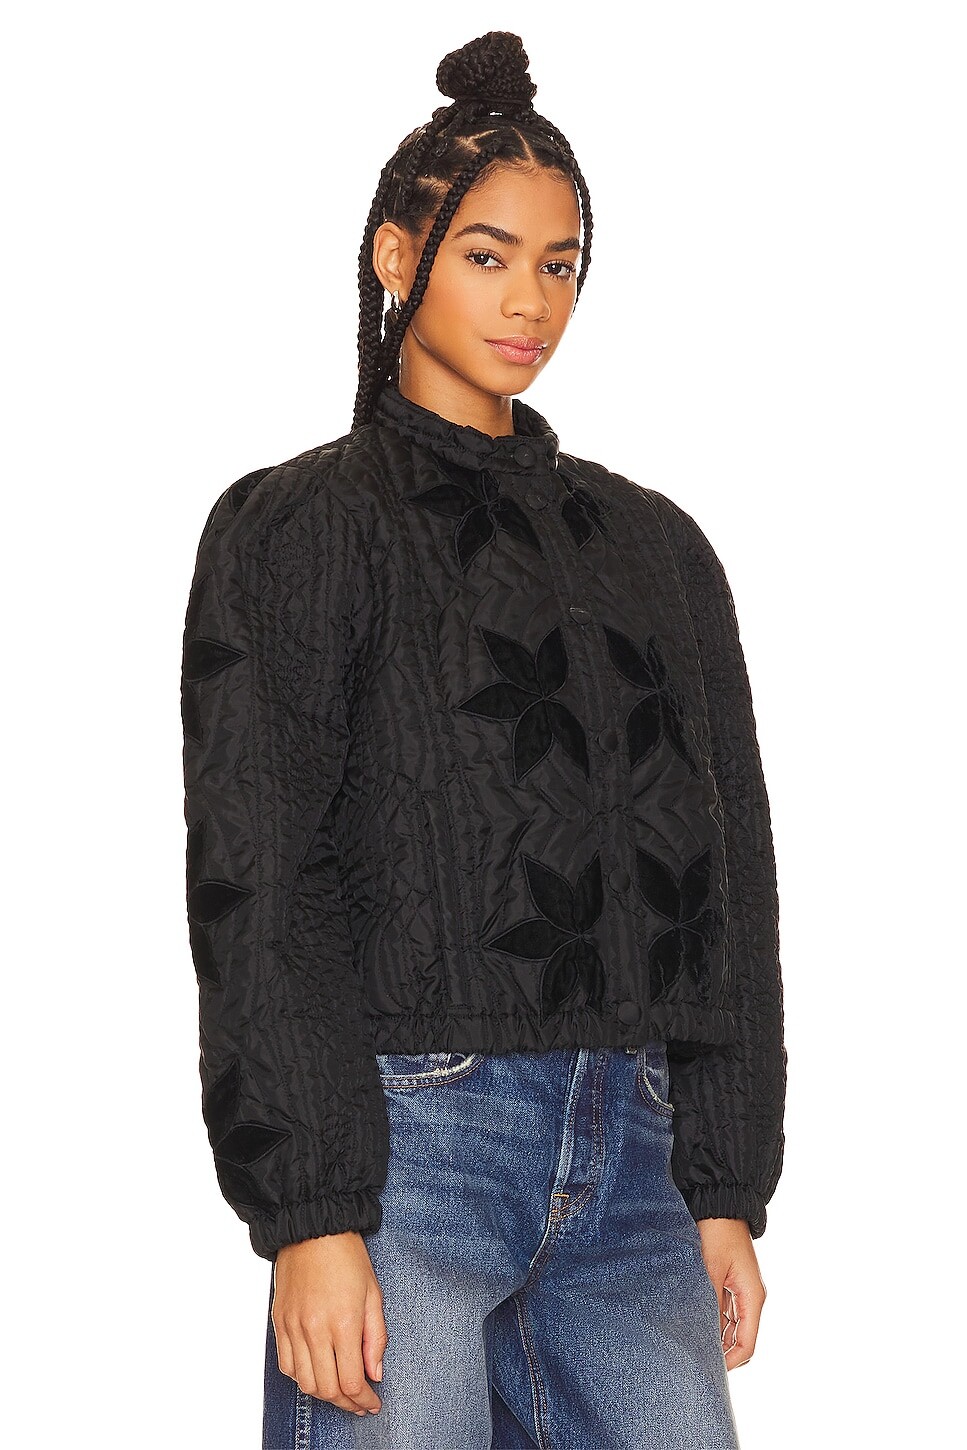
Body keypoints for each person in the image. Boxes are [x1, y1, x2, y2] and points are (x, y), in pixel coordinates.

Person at [180, 30, 787, 1450]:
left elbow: (730, 879)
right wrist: (312, 1210)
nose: (531, 301)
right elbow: (263, 874)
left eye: (561, 264)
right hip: (413, 1152)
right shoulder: (303, 525)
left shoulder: (658, 550)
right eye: (488, 255)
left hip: (638, 1166)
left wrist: (721, 1183)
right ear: (399, 256)